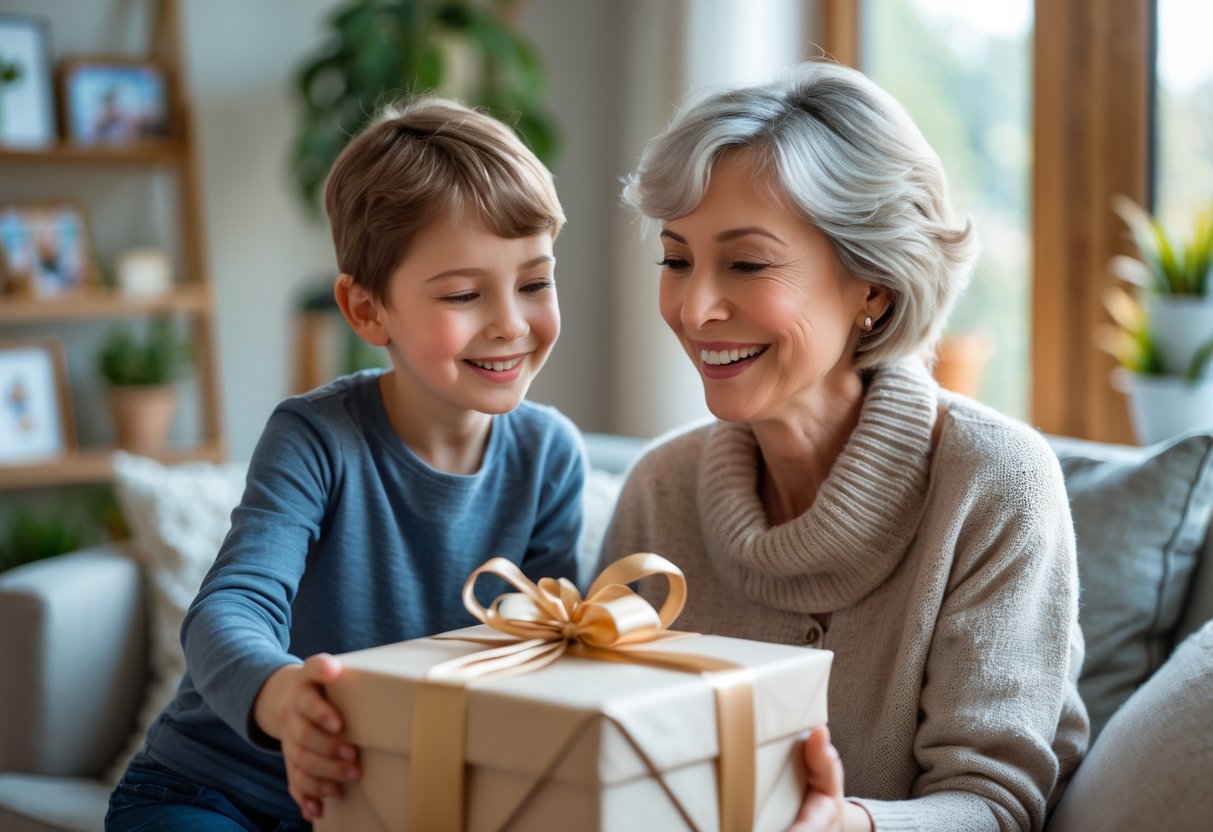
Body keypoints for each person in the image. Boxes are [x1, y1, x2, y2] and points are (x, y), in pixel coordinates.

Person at [601, 59, 1088, 832]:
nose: (694, 309)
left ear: (874, 285)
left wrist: (844, 825)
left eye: (747, 262)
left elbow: (993, 805)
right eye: (676, 259)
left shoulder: (994, 483)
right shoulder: (659, 488)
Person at [105, 97, 586, 830]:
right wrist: (284, 697)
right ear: (366, 312)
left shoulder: (550, 459)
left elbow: (541, 655)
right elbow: (229, 610)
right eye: (463, 293)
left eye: (534, 282)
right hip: (214, 792)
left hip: (387, 807)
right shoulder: (315, 436)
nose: (511, 323)